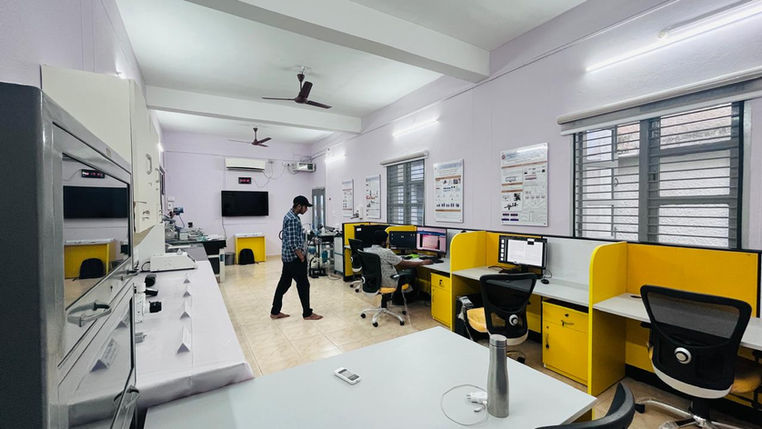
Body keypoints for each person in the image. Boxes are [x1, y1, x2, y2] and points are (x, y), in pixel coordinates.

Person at [270, 195, 323, 320]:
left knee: (284, 284)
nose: (306, 209)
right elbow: (293, 242)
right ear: (299, 206)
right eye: (305, 207)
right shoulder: (293, 219)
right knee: (303, 285)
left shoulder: (289, 215)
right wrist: (301, 257)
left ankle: (275, 311)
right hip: (294, 258)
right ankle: (307, 314)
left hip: (287, 257)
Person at [363, 230, 432, 290]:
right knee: (412, 271)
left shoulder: (368, 251)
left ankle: (399, 295)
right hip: (388, 282)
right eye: (387, 240)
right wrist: (421, 263)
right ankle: (408, 296)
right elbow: (403, 264)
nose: (388, 242)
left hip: (373, 282)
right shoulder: (386, 252)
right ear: (383, 242)